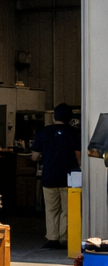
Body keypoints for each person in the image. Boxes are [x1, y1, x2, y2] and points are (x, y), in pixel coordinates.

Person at [31, 103, 81, 250]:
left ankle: (52, 239)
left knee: (51, 209)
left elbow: (34, 157)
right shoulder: (74, 133)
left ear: (54, 117)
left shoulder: (43, 132)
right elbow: (78, 155)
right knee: (67, 209)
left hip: (49, 176)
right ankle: (64, 238)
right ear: (70, 118)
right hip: (69, 177)